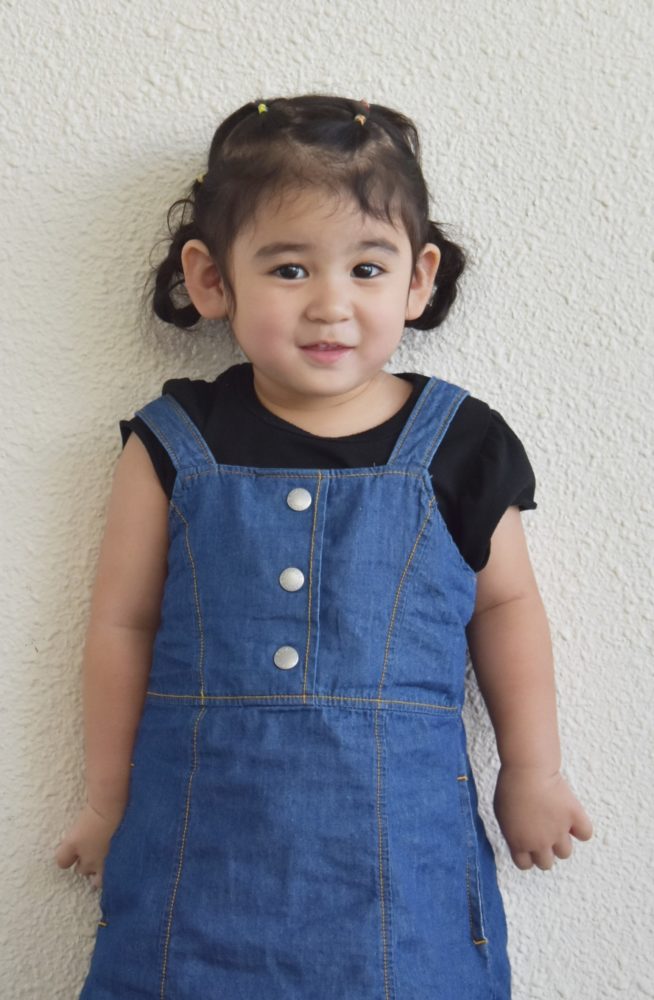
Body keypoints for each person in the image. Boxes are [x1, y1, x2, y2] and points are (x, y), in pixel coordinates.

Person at [55, 95, 592, 999]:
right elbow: (122, 623)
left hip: (403, 871)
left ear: (419, 280)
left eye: (368, 268)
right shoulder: (173, 443)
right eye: (291, 268)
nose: (331, 306)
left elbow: (507, 606)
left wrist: (532, 769)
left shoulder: (463, 444)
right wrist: (109, 799)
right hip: (196, 857)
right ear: (212, 279)